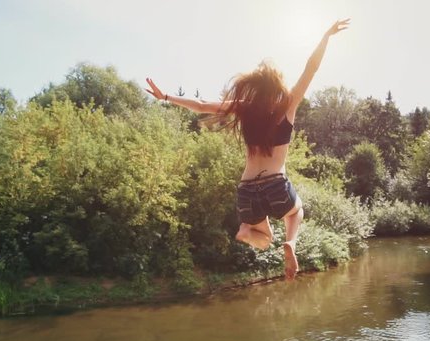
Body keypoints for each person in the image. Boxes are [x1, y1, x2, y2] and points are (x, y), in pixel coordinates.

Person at [145, 19, 350, 280]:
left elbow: (201, 104)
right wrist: (325, 36)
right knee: (296, 210)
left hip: (247, 189)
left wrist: (165, 97)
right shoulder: (287, 106)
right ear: (277, 87)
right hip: (275, 184)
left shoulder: (244, 107)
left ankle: (246, 230)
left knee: (264, 240)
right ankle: (292, 243)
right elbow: (311, 69)